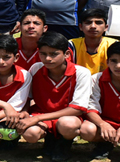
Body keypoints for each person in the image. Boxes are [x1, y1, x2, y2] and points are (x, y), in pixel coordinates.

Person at [17, 32, 91, 162]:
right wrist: (25, 111)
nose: (48, 58)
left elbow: (77, 108)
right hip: (42, 113)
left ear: (66, 54)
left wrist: (37, 118)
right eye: (43, 54)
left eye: (54, 54)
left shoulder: (81, 72)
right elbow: (27, 97)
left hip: (67, 116)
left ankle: (63, 143)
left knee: (68, 124)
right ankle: (50, 139)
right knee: (30, 134)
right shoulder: (36, 68)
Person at [68, 8, 117, 75]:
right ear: (80, 27)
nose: (93, 26)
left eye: (98, 23)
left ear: (106, 27)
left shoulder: (114, 45)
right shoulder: (71, 45)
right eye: (88, 23)